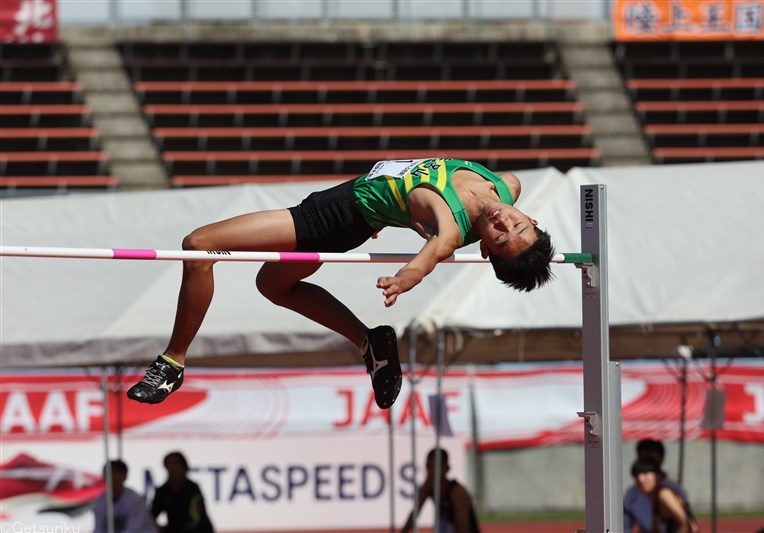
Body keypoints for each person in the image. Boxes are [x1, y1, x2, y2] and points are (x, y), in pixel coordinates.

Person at [127, 158, 555, 409]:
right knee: (272, 286)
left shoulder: (455, 224)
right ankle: (371, 342)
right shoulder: (509, 186)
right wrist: (398, 217)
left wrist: (407, 277)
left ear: (484, 250)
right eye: (516, 225)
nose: (504, 222)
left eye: (500, 237)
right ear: (529, 215)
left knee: (198, 246)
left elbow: (440, 244)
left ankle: (172, 362)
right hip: (351, 206)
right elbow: (419, 205)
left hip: (333, 218)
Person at [401, 448, 480, 533]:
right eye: (428, 467)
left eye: (434, 468)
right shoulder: (429, 486)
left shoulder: (458, 493)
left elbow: (464, 527)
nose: (430, 472)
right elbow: (415, 512)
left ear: (446, 468)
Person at [624, 439, 691, 533]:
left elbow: (685, 523)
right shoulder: (632, 494)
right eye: (638, 473)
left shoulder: (667, 492)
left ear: (657, 474)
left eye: (647, 470)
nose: (641, 479)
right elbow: (625, 526)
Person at [150, 451, 214, 533]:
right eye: (169, 464)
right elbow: (152, 515)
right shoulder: (162, 491)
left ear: (183, 467)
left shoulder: (192, 489)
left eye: (176, 464)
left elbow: (197, 518)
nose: (172, 468)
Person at [93, 459, 158, 533]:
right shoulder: (101, 501)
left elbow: (134, 529)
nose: (112, 478)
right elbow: (98, 528)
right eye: (108, 474)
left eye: (115, 474)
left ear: (124, 476)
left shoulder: (134, 500)